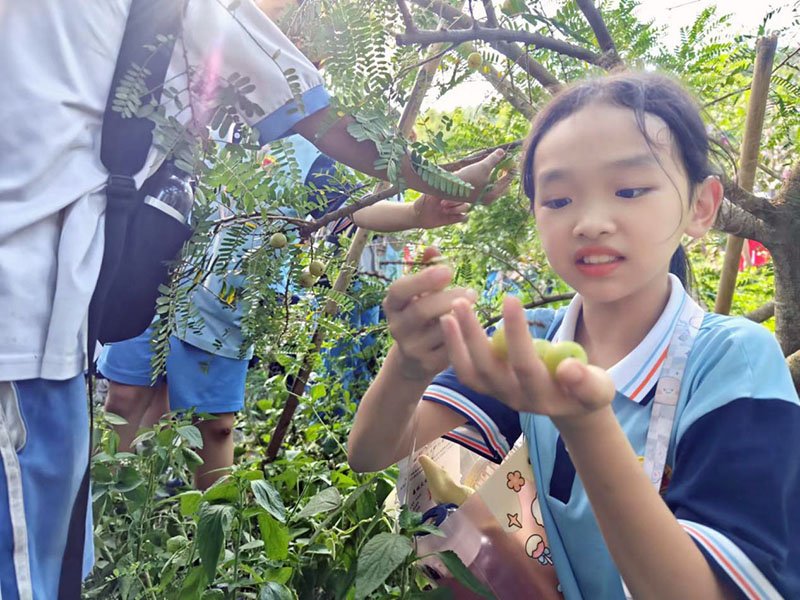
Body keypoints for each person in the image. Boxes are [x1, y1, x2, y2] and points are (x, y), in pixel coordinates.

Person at [0, 1, 508, 597]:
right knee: (108, 427)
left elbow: (343, 201)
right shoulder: (192, 52)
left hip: (213, 312)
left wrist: (423, 207)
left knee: (206, 428)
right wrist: (444, 180)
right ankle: (130, 504)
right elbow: (328, 119)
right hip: (100, 308)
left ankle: (196, 537)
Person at [348, 72, 800, 599]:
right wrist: (409, 365)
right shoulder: (532, 339)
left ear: (701, 206)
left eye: (630, 190)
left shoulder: (731, 362)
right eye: (558, 200)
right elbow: (375, 454)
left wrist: (583, 423)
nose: (590, 222)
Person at [99, 133, 481, 490]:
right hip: (154, 278)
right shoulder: (209, 106)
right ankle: (103, 499)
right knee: (125, 398)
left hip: (227, 309)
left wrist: (415, 214)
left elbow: (354, 209)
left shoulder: (310, 150)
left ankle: (207, 533)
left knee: (214, 428)